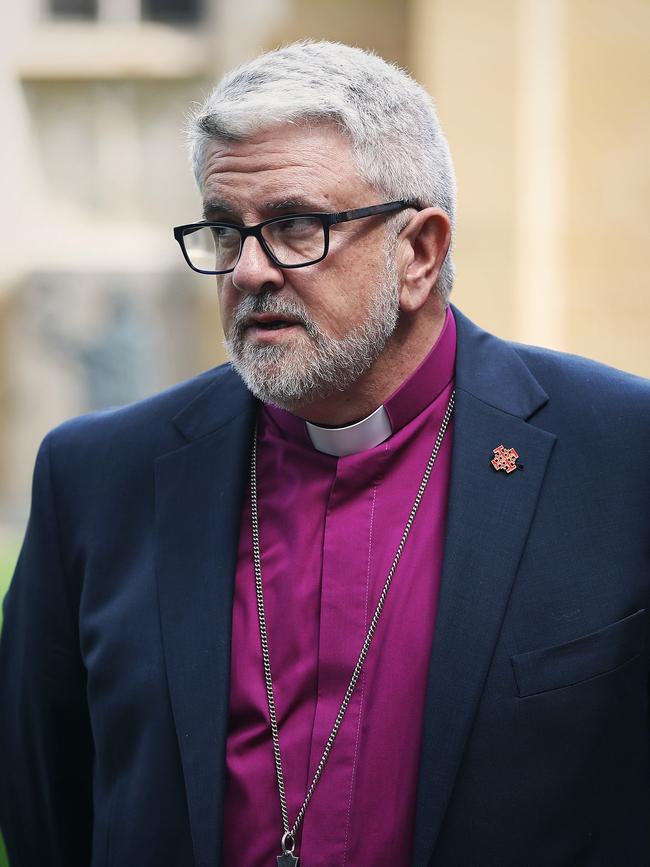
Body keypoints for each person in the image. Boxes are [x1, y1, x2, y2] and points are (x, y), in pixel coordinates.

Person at [0, 39, 648, 867]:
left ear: (419, 252)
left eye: (296, 226)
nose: (249, 270)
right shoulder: (96, 480)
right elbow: (46, 808)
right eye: (226, 231)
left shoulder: (625, 459)